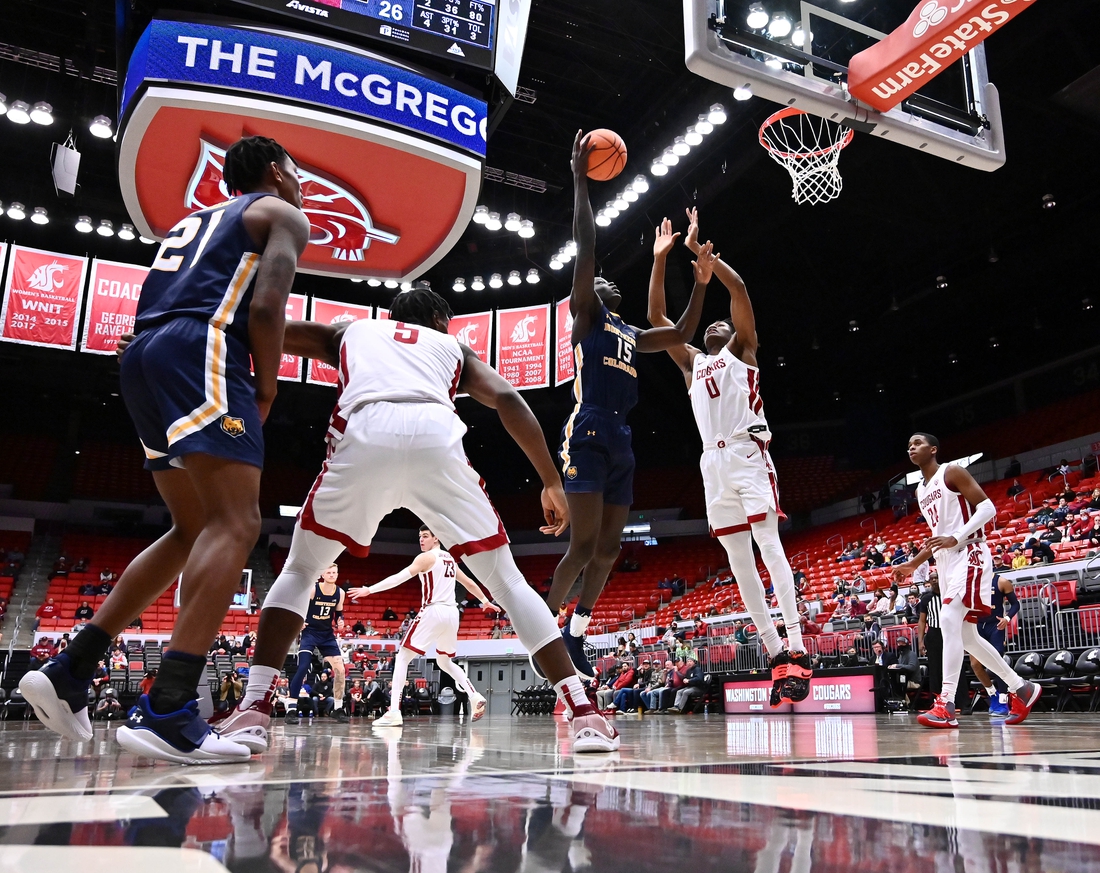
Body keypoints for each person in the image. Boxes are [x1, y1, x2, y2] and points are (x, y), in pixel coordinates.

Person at [212, 286, 620, 753]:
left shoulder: (353, 330)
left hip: (366, 433)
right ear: (437, 317)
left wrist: (173, 339)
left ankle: (254, 709)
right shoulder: (450, 347)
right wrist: (549, 479)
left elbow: (265, 329)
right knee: (508, 583)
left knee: (302, 570)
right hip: (434, 439)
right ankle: (583, 713)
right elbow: (507, 398)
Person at [19, 135, 309, 765]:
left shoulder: (196, 221)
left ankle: (72, 669)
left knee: (191, 527)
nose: (302, 183)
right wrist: (265, 385)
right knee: (238, 520)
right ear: (274, 172)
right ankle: (171, 707)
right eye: (297, 171)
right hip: (201, 349)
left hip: (143, 354)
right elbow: (267, 308)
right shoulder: (282, 214)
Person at [545, 132, 712, 680]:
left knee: (611, 548)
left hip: (621, 435)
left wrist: (700, 280)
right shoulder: (588, 315)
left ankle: (576, 633)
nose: (603, 278)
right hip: (588, 426)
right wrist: (578, 180)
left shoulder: (631, 333)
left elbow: (683, 331)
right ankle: (544, 627)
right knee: (584, 542)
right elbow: (587, 245)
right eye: (596, 279)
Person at [647, 209, 812, 710]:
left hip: (746, 454)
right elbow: (657, 321)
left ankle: (799, 647)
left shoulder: (744, 351)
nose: (716, 321)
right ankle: (773, 653)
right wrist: (661, 262)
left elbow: (739, 294)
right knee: (739, 562)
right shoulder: (692, 362)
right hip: (712, 466)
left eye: (721, 322)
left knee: (768, 544)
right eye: (710, 322)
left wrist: (706, 259)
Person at [893, 433, 1040, 728]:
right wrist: (914, 564)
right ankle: (1021, 687)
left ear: (933, 449)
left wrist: (957, 537)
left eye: (918, 443)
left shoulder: (952, 472)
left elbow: (987, 509)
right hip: (946, 561)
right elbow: (939, 537)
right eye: (908, 444)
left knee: (947, 619)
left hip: (969, 551)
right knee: (968, 637)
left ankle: (946, 702)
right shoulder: (921, 490)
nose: (911, 447)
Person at [348, 525, 497, 727]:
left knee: (402, 657)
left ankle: (393, 712)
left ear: (436, 538)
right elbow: (469, 583)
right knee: (444, 662)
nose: (421, 540)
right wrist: (484, 600)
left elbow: (399, 577)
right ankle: (474, 694)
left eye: (425, 536)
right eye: (419, 536)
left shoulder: (426, 557)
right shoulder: (450, 559)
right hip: (452, 614)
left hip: (434, 610)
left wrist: (370, 590)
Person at [281, 563, 350, 725]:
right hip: (310, 632)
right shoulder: (313, 590)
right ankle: (291, 707)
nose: (333, 575)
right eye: (330, 572)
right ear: (323, 575)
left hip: (327, 634)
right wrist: (300, 621)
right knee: (303, 667)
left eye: (335, 572)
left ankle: (338, 708)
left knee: (340, 669)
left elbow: (339, 612)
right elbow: (298, 604)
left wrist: (340, 620)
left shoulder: (340, 593)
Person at [969, 574, 1019, 717]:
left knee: (996, 662)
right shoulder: (972, 581)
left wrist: (1007, 618)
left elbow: (1016, 604)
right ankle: (993, 694)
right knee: (975, 665)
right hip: (976, 625)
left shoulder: (1001, 581)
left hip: (995, 626)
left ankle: (1004, 700)